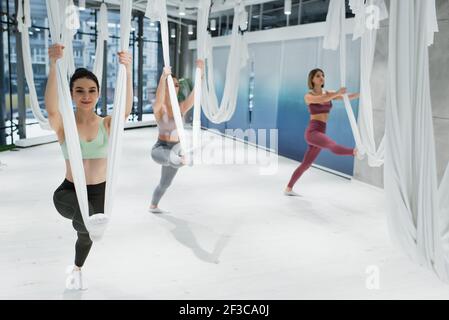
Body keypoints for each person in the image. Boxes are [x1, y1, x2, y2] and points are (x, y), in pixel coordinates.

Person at [45, 44, 133, 289]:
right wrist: (53, 66)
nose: (86, 96)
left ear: (98, 94)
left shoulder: (107, 124)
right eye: (80, 90)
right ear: (71, 94)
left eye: (92, 91)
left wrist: (127, 69)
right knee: (89, 222)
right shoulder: (65, 125)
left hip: (101, 192)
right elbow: (52, 108)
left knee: (86, 233)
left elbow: (125, 109)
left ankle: (77, 267)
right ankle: (81, 249)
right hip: (68, 193)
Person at [285, 68, 359, 196]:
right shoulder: (308, 96)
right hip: (313, 132)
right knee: (331, 145)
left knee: (306, 165)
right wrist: (336, 93)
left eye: (323, 75)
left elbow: (346, 97)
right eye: (318, 75)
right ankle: (353, 152)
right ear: (312, 79)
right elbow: (320, 99)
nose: (321, 77)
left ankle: (288, 188)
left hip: (321, 131)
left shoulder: (329, 93)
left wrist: (362, 94)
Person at [149, 60, 204, 213]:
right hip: (161, 149)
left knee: (165, 183)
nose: (174, 87)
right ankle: (184, 159)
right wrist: (163, 77)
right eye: (170, 84)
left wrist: (200, 73)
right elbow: (159, 98)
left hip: (176, 149)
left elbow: (194, 95)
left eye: (176, 85)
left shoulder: (181, 107)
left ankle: (153, 205)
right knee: (175, 159)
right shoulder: (159, 108)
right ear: (164, 87)